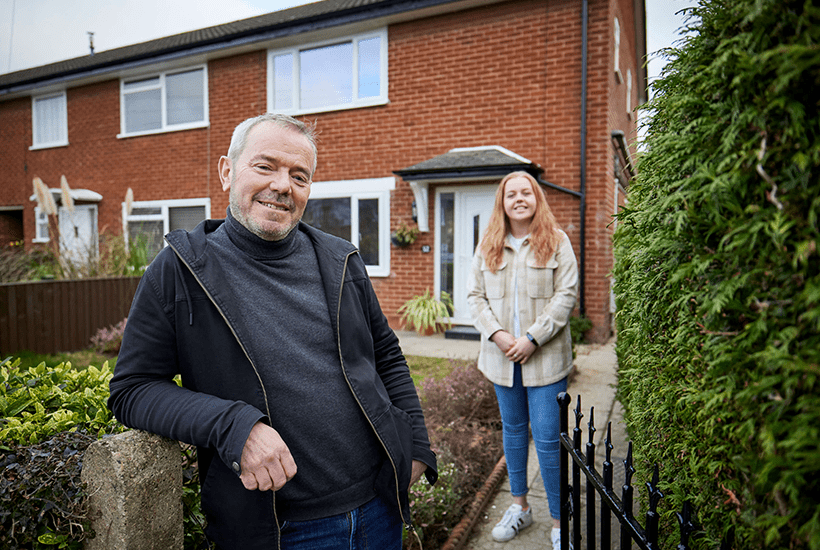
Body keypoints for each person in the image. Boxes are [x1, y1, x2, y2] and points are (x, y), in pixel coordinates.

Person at [108, 113, 437, 549]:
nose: (282, 185)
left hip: (378, 509)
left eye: (299, 175)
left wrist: (415, 447)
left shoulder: (341, 260)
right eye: (265, 167)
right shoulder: (179, 270)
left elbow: (387, 356)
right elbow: (132, 390)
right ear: (227, 171)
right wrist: (233, 426)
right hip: (281, 531)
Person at [467, 171, 578, 547]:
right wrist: (498, 336)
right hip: (501, 359)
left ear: (536, 198)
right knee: (513, 435)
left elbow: (566, 295)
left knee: (548, 440)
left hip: (544, 360)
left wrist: (532, 338)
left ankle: (561, 524)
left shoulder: (557, 241)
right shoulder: (488, 245)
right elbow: (475, 297)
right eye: (510, 193)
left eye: (525, 192)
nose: (518, 198)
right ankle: (520, 508)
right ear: (502, 201)